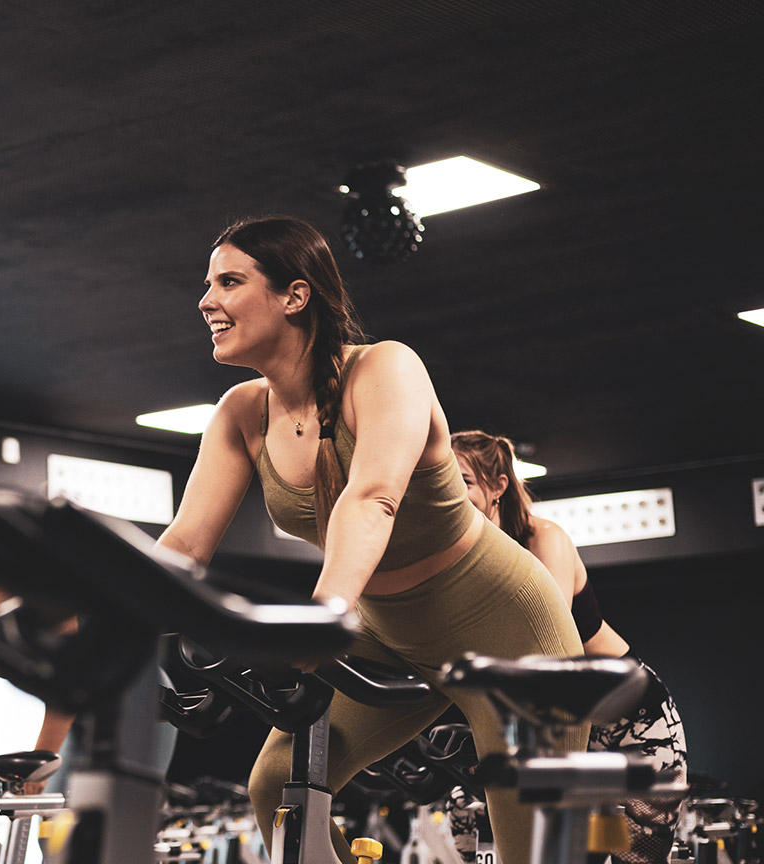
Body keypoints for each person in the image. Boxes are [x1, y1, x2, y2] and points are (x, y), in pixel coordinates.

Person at [155, 215, 585, 864]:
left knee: (533, 847)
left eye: (229, 281)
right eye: (207, 283)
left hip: (505, 626)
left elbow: (373, 495)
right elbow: (186, 543)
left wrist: (323, 614)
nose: (206, 300)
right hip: (386, 633)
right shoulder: (241, 413)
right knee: (276, 787)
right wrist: (99, 602)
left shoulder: (386, 368)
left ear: (295, 296)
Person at [451, 430, 688, 864]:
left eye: (464, 481)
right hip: (560, 726)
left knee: (630, 858)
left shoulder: (544, 540)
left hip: (630, 720)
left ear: (498, 487)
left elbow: (549, 645)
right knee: (466, 823)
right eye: (444, 480)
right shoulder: (464, 565)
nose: (452, 491)